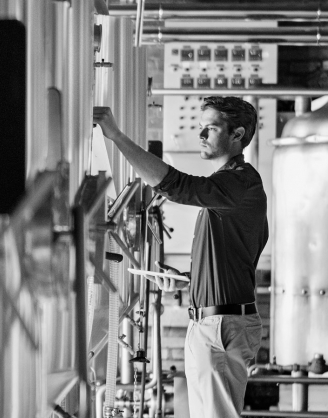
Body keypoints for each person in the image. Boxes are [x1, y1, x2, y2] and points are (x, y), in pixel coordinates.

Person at [93, 96, 268, 418]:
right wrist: (187, 279)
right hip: (214, 320)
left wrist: (115, 136)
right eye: (200, 128)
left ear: (238, 134)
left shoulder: (239, 182)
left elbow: (175, 186)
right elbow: (236, 256)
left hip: (220, 325)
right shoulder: (231, 187)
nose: (200, 136)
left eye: (210, 129)